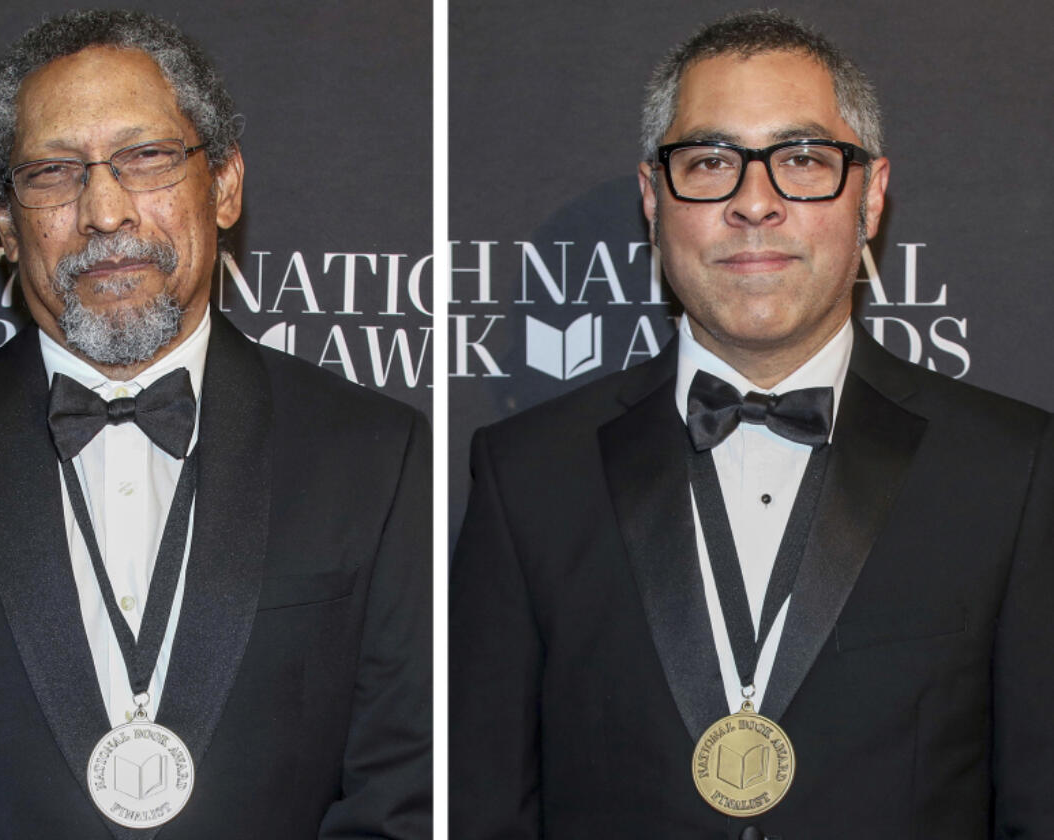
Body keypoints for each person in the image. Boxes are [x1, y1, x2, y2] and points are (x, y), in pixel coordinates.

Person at [450, 10, 1054, 839]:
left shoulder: (1013, 470)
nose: (755, 203)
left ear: (871, 195)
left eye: (803, 160)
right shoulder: (526, 475)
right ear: (653, 199)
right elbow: (486, 804)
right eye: (710, 163)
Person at [0, 10, 429, 839]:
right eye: (53, 172)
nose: (105, 212)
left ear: (223, 186)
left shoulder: (377, 457)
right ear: (6, 223)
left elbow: (402, 795)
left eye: (144, 159)